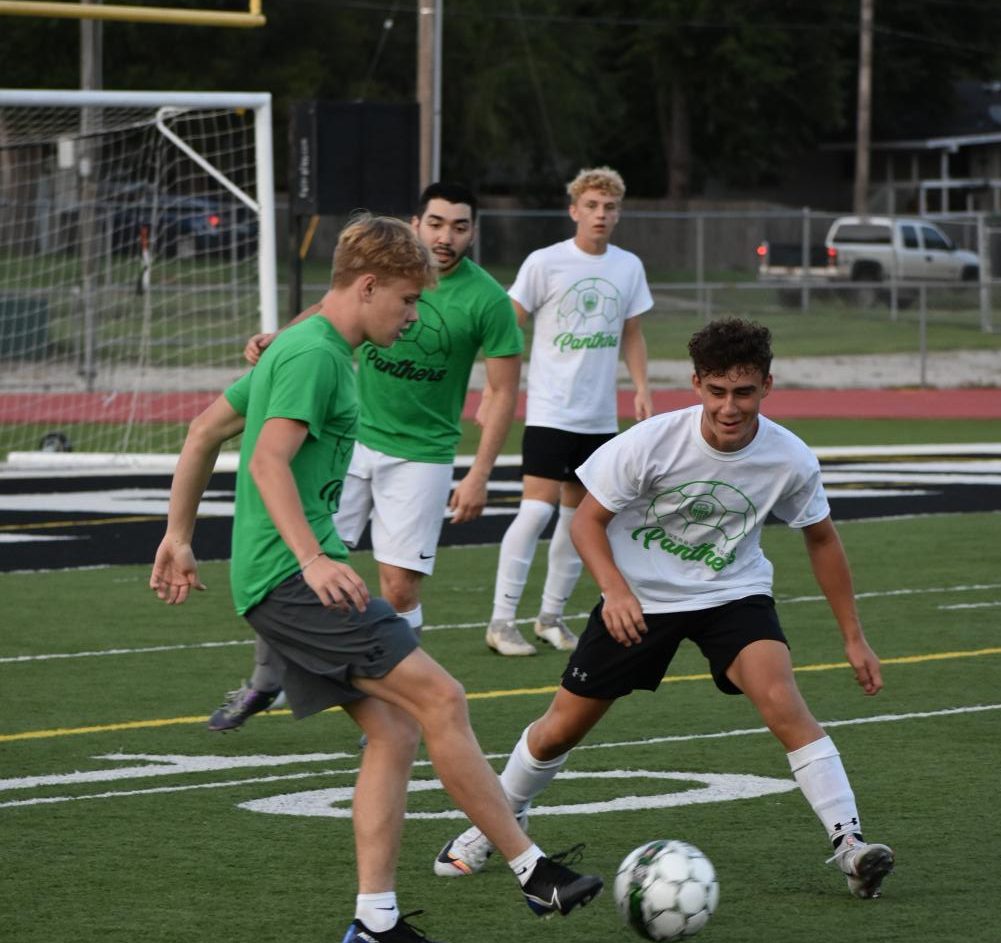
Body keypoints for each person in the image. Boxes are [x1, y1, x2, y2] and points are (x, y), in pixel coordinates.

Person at [150, 214, 603, 943]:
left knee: (393, 730)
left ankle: (377, 922)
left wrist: (178, 535)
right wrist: (314, 558)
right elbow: (265, 463)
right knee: (442, 698)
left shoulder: (309, 348)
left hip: (281, 579)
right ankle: (532, 869)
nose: (415, 315)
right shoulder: (314, 357)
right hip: (299, 582)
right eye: (406, 300)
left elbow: (203, 430)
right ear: (366, 286)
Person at [437, 316, 895, 900]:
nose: (731, 407)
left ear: (767, 387)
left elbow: (822, 539)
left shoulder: (790, 458)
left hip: (731, 593)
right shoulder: (649, 443)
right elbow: (586, 522)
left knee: (783, 700)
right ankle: (494, 824)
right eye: (718, 391)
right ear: (698, 384)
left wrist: (854, 637)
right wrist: (615, 589)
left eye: (745, 393)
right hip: (640, 598)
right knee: (558, 732)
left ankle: (850, 846)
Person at [208, 180, 523, 731]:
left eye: (460, 226)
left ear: (473, 231)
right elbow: (336, 304)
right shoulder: (372, 282)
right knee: (296, 560)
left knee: (398, 586)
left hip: (422, 453)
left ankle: (397, 702)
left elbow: (501, 391)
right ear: (416, 224)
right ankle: (265, 678)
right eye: (437, 223)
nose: (446, 236)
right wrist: (280, 340)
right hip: (353, 441)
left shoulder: (488, 301)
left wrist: (479, 472)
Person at [485, 166, 654, 658]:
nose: (601, 215)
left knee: (581, 518)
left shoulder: (628, 267)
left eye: (610, 207)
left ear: (617, 214)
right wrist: (498, 391)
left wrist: (641, 387)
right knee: (535, 511)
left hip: (599, 418)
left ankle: (550, 618)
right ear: (574, 210)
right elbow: (506, 323)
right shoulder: (545, 263)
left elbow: (633, 333)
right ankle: (500, 621)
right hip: (550, 412)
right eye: (592, 206)